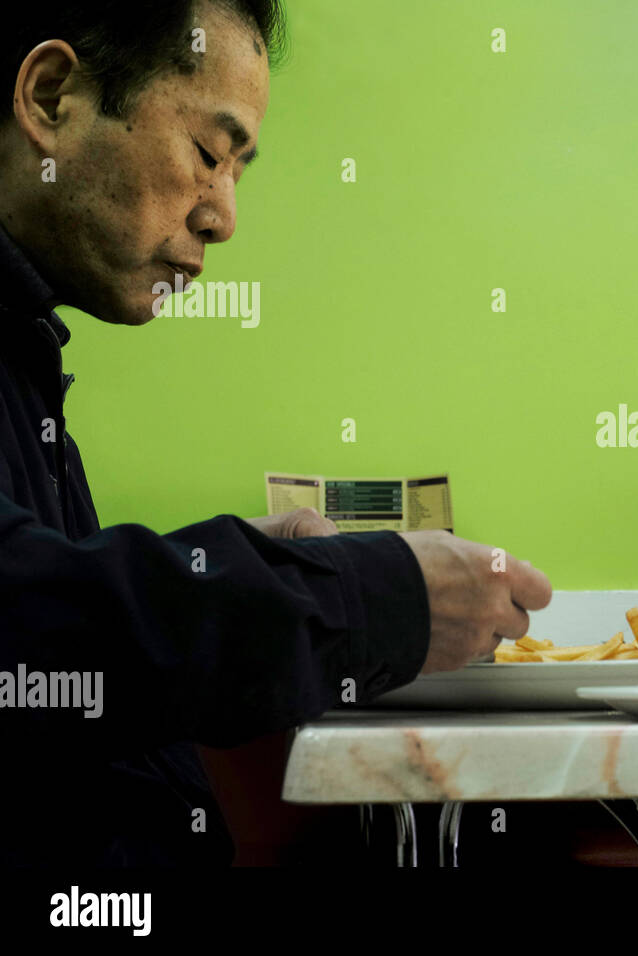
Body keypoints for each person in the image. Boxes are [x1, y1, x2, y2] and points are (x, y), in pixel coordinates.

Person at [0, 0, 551, 866]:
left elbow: (65, 604)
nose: (223, 217)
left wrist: (251, 560)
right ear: (51, 95)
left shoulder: (21, 350)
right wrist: (362, 597)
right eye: (209, 155)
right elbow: (24, 634)